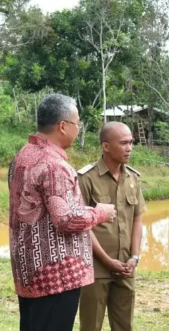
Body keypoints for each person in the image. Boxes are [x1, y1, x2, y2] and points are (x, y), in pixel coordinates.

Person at [9, 93, 116, 331]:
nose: (78, 129)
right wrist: (100, 213)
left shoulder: (21, 156)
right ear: (63, 126)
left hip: (29, 273)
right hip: (56, 277)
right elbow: (66, 220)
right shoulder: (54, 165)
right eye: (77, 123)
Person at [78, 121, 146, 331]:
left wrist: (134, 257)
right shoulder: (86, 178)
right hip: (96, 268)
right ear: (106, 146)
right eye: (123, 143)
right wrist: (107, 261)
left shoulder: (133, 178)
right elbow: (82, 226)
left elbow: (137, 219)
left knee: (124, 325)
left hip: (126, 266)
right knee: (91, 325)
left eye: (131, 143)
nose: (129, 148)